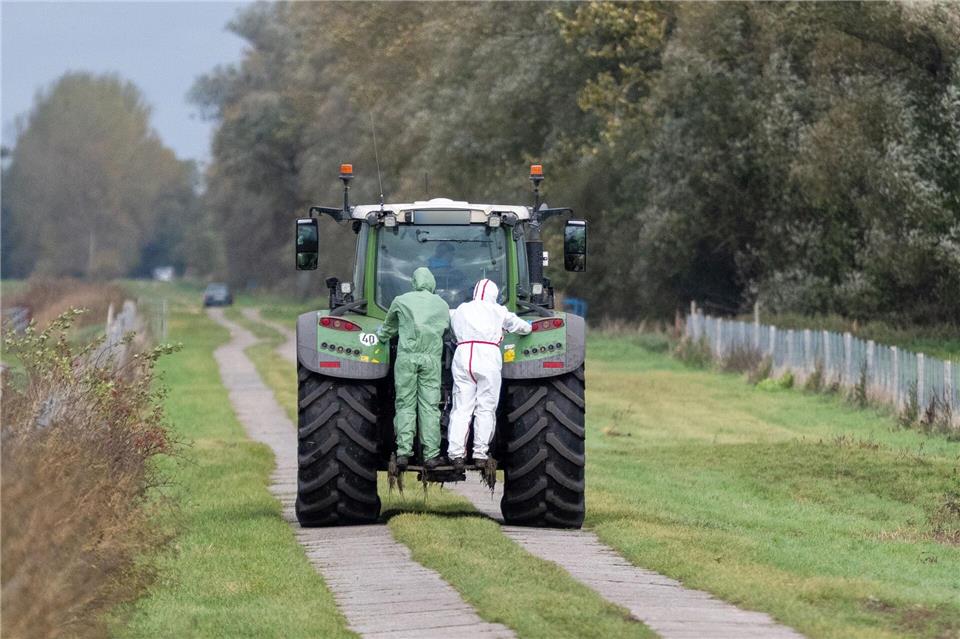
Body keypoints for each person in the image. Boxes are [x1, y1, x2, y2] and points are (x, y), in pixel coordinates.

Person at [447, 278, 531, 469]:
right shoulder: (499, 310)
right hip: (488, 356)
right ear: (494, 295)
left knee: (461, 408)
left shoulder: (461, 309)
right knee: (485, 408)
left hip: (463, 355)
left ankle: (456, 454)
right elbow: (522, 327)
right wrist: (530, 327)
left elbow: (445, 319)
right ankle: (480, 454)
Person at [377, 267, 450, 470]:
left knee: (405, 404)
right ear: (432, 283)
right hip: (431, 360)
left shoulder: (401, 300)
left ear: (414, 282)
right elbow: (447, 329)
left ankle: (403, 453)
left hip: (406, 359)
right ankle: (431, 455)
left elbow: (389, 328)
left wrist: (380, 337)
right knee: (430, 406)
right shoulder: (442, 304)